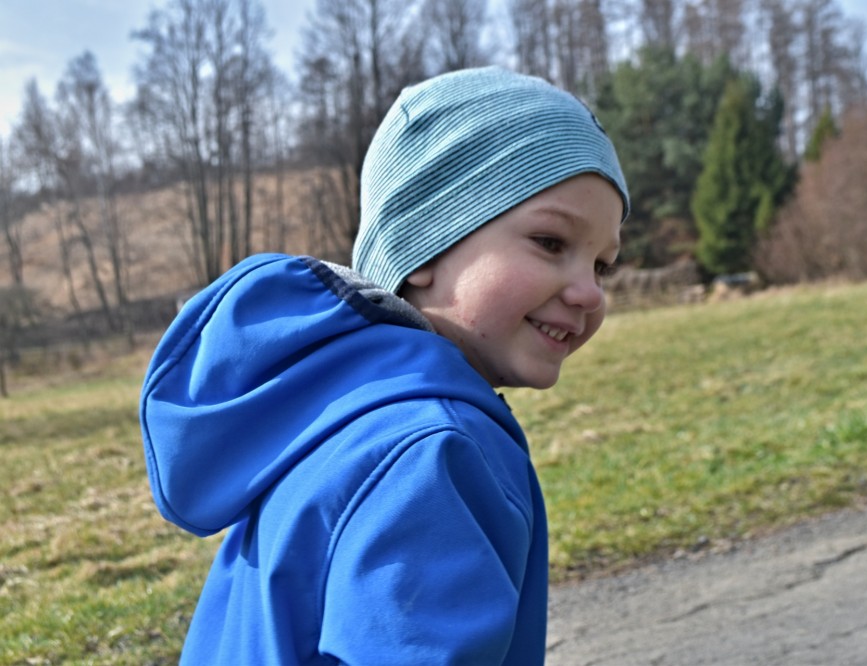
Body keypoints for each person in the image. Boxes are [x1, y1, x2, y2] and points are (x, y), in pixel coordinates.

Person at [139, 66, 629, 665]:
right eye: (551, 243)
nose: (589, 292)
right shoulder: (434, 451)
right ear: (424, 243)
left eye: (602, 265)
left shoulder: (328, 415)